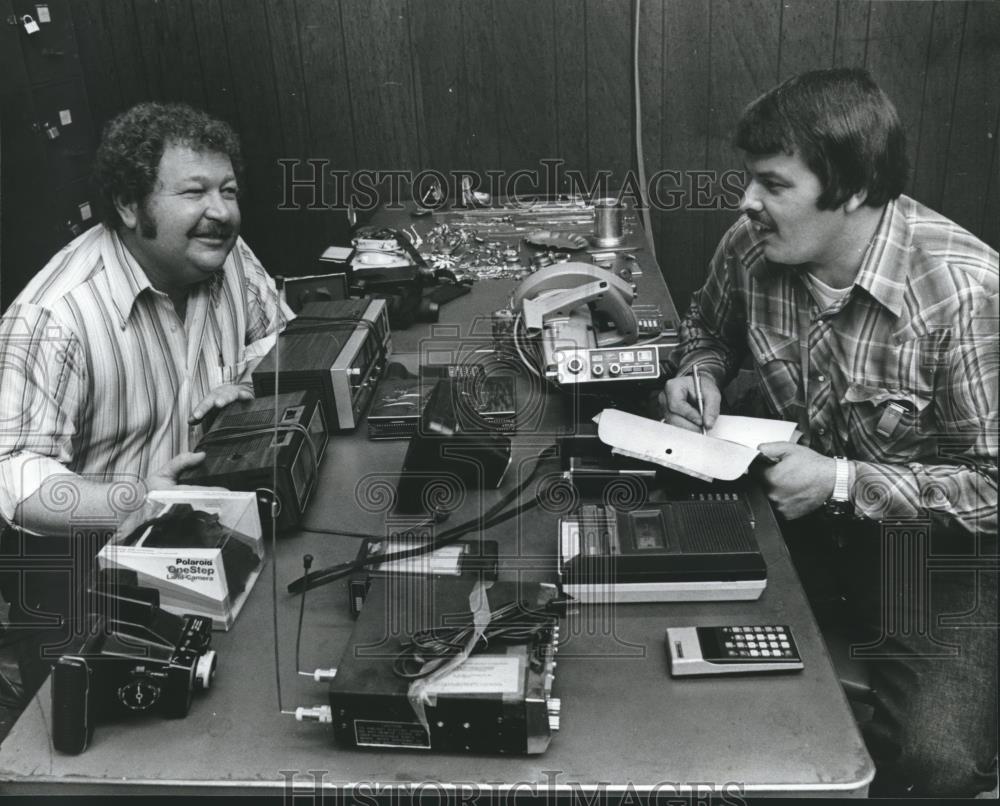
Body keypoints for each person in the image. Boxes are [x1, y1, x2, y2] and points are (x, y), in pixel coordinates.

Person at [662, 68, 997, 796]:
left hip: (933, 551)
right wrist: (703, 376)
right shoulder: (750, 246)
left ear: (848, 190)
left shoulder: (965, 293)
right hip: (799, 517)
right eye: (750, 180)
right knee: (673, 653)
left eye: (773, 185)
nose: (747, 201)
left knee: (936, 759)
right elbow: (703, 329)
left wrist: (840, 481)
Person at [0, 102, 290, 696]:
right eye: (194, 192)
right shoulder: (53, 317)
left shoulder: (228, 254)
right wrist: (134, 498)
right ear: (130, 206)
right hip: (84, 568)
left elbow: (275, 339)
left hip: (205, 527)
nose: (221, 211)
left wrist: (252, 386)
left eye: (228, 190)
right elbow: (12, 474)